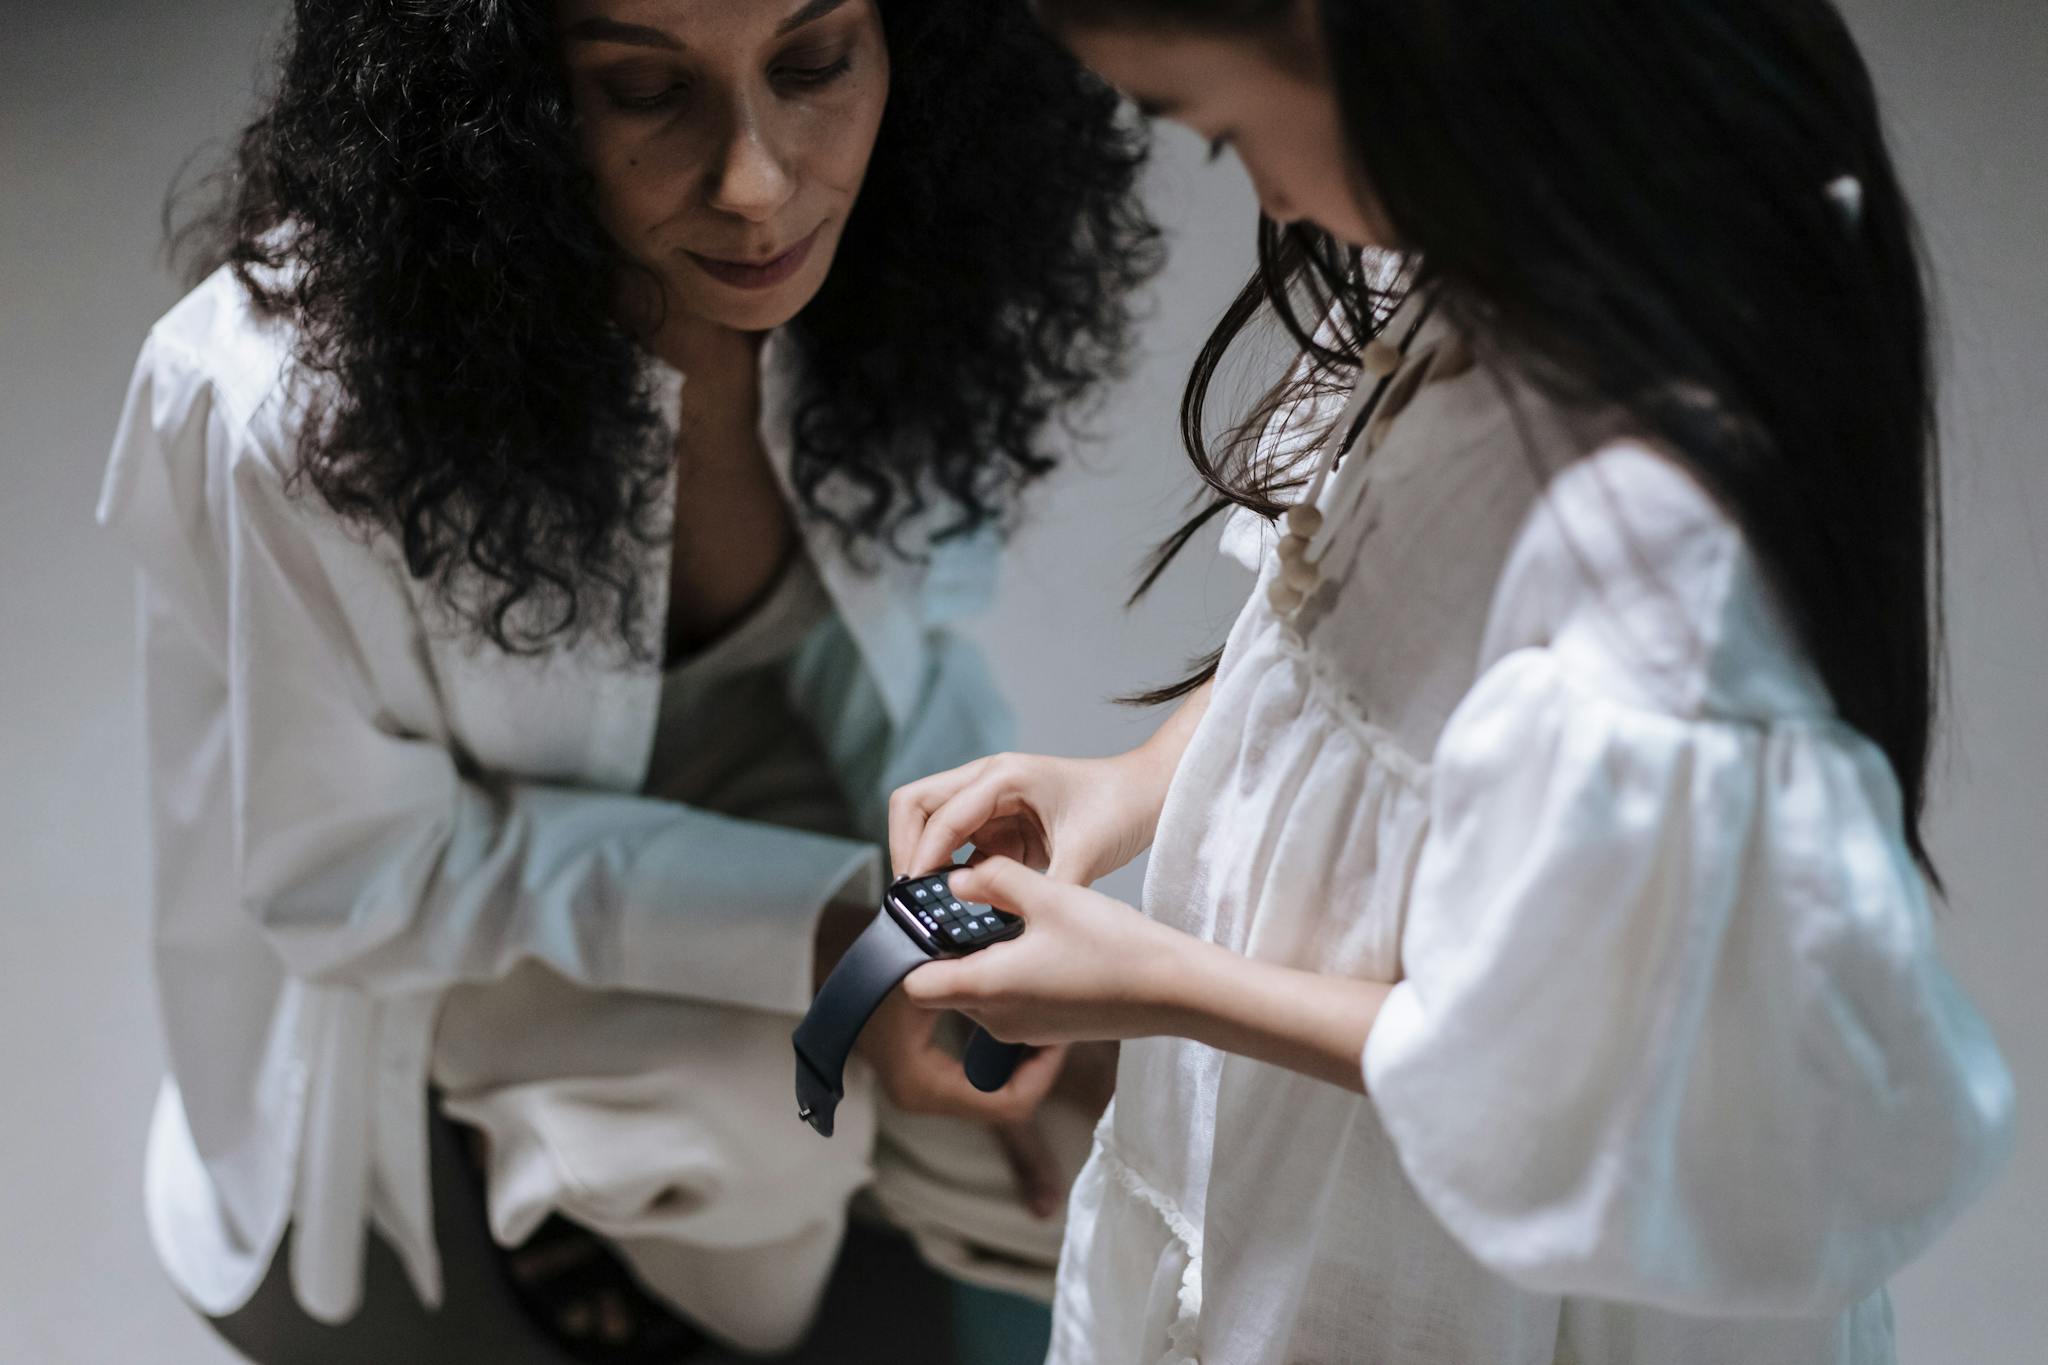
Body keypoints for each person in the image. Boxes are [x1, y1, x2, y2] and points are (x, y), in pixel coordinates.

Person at [887, 2, 2016, 1361]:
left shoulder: (1655, 520)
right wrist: (1119, 791)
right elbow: (1334, 652)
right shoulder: (1460, 260)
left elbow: (1565, 1077)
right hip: (1301, 1189)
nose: (1259, 189)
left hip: (1458, 1271)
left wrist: (1160, 982)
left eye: (1225, 128)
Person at [98, 0, 1157, 1358]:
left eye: (817, 62)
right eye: (646, 90)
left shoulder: (911, 241)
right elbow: (357, 873)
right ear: (498, 101)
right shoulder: (275, 409)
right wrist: (838, 943)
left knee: (1111, 1116)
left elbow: (905, 647)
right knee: (747, 1177)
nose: (760, 183)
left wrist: (951, 907)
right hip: (469, 905)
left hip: (789, 812)